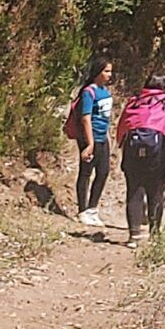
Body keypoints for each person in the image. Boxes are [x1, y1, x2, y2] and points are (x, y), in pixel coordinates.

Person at [118, 74, 165, 244]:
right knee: (155, 193)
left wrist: (121, 147)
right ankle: (154, 234)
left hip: (133, 153)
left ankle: (134, 235)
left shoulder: (134, 101)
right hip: (156, 155)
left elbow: (122, 127)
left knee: (134, 192)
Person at [68, 57, 115, 226]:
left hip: (103, 138)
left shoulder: (106, 92)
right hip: (90, 138)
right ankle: (82, 210)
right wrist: (89, 143)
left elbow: (106, 118)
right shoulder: (89, 92)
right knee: (86, 172)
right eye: (106, 71)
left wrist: (108, 137)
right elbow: (86, 118)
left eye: (110, 71)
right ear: (97, 72)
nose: (110, 75)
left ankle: (92, 209)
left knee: (103, 173)